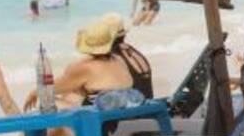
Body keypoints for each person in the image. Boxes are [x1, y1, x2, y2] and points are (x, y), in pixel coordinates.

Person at [25, 14, 153, 109]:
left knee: (49, 103)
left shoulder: (85, 67)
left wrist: (34, 92)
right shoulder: (120, 60)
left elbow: (51, 89)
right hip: (125, 117)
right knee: (75, 94)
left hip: (103, 126)